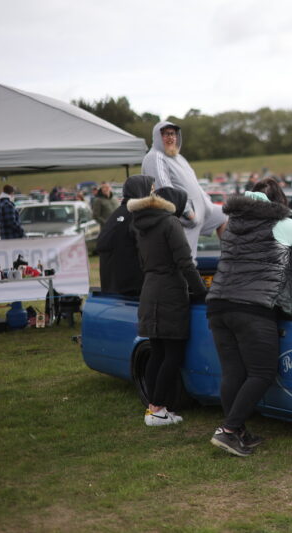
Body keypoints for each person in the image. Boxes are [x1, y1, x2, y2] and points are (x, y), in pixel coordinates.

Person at [206, 177, 292, 456]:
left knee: (233, 372)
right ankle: (229, 430)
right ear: (278, 202)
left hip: (218, 304)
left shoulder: (232, 224)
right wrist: (288, 212)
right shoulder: (280, 224)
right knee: (262, 372)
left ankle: (237, 430)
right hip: (253, 307)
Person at [128, 187, 208, 426]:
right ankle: (158, 408)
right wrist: (202, 291)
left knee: (158, 352)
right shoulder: (170, 223)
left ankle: (154, 409)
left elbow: (143, 261)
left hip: (150, 288)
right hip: (170, 292)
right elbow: (184, 261)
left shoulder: (140, 225)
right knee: (173, 354)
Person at [142, 121, 227, 258]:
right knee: (186, 261)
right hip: (183, 218)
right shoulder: (154, 157)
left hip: (203, 211)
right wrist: (188, 213)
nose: (171, 137)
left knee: (225, 215)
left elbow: (194, 184)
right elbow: (165, 190)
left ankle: (231, 260)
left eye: (173, 134)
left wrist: (207, 203)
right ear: (157, 136)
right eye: (166, 134)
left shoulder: (178, 157)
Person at [95, 175, 154, 297]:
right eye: (151, 190)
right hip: (130, 289)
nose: (153, 194)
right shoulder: (135, 215)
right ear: (141, 191)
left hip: (114, 285)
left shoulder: (120, 212)